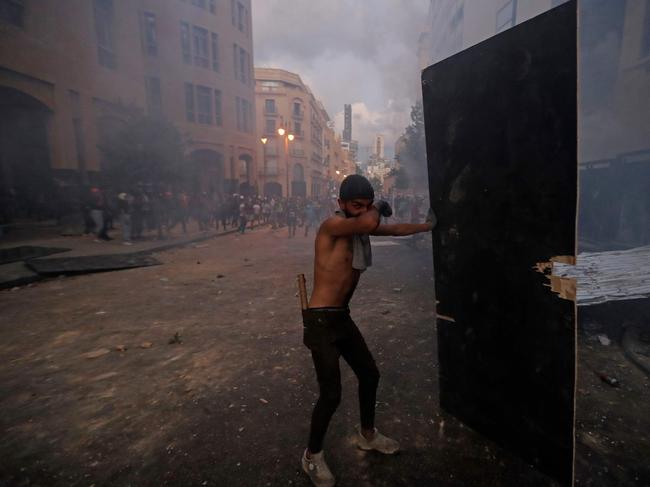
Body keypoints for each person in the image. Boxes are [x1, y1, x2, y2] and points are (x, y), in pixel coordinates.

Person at [300, 174, 434, 487]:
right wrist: (379, 206)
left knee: (370, 374)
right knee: (331, 394)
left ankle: (367, 435)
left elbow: (394, 228)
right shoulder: (332, 226)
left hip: (341, 317)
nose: (361, 211)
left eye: (366, 206)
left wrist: (427, 226)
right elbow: (368, 223)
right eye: (355, 206)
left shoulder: (362, 228)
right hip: (320, 321)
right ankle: (311, 456)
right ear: (341, 204)